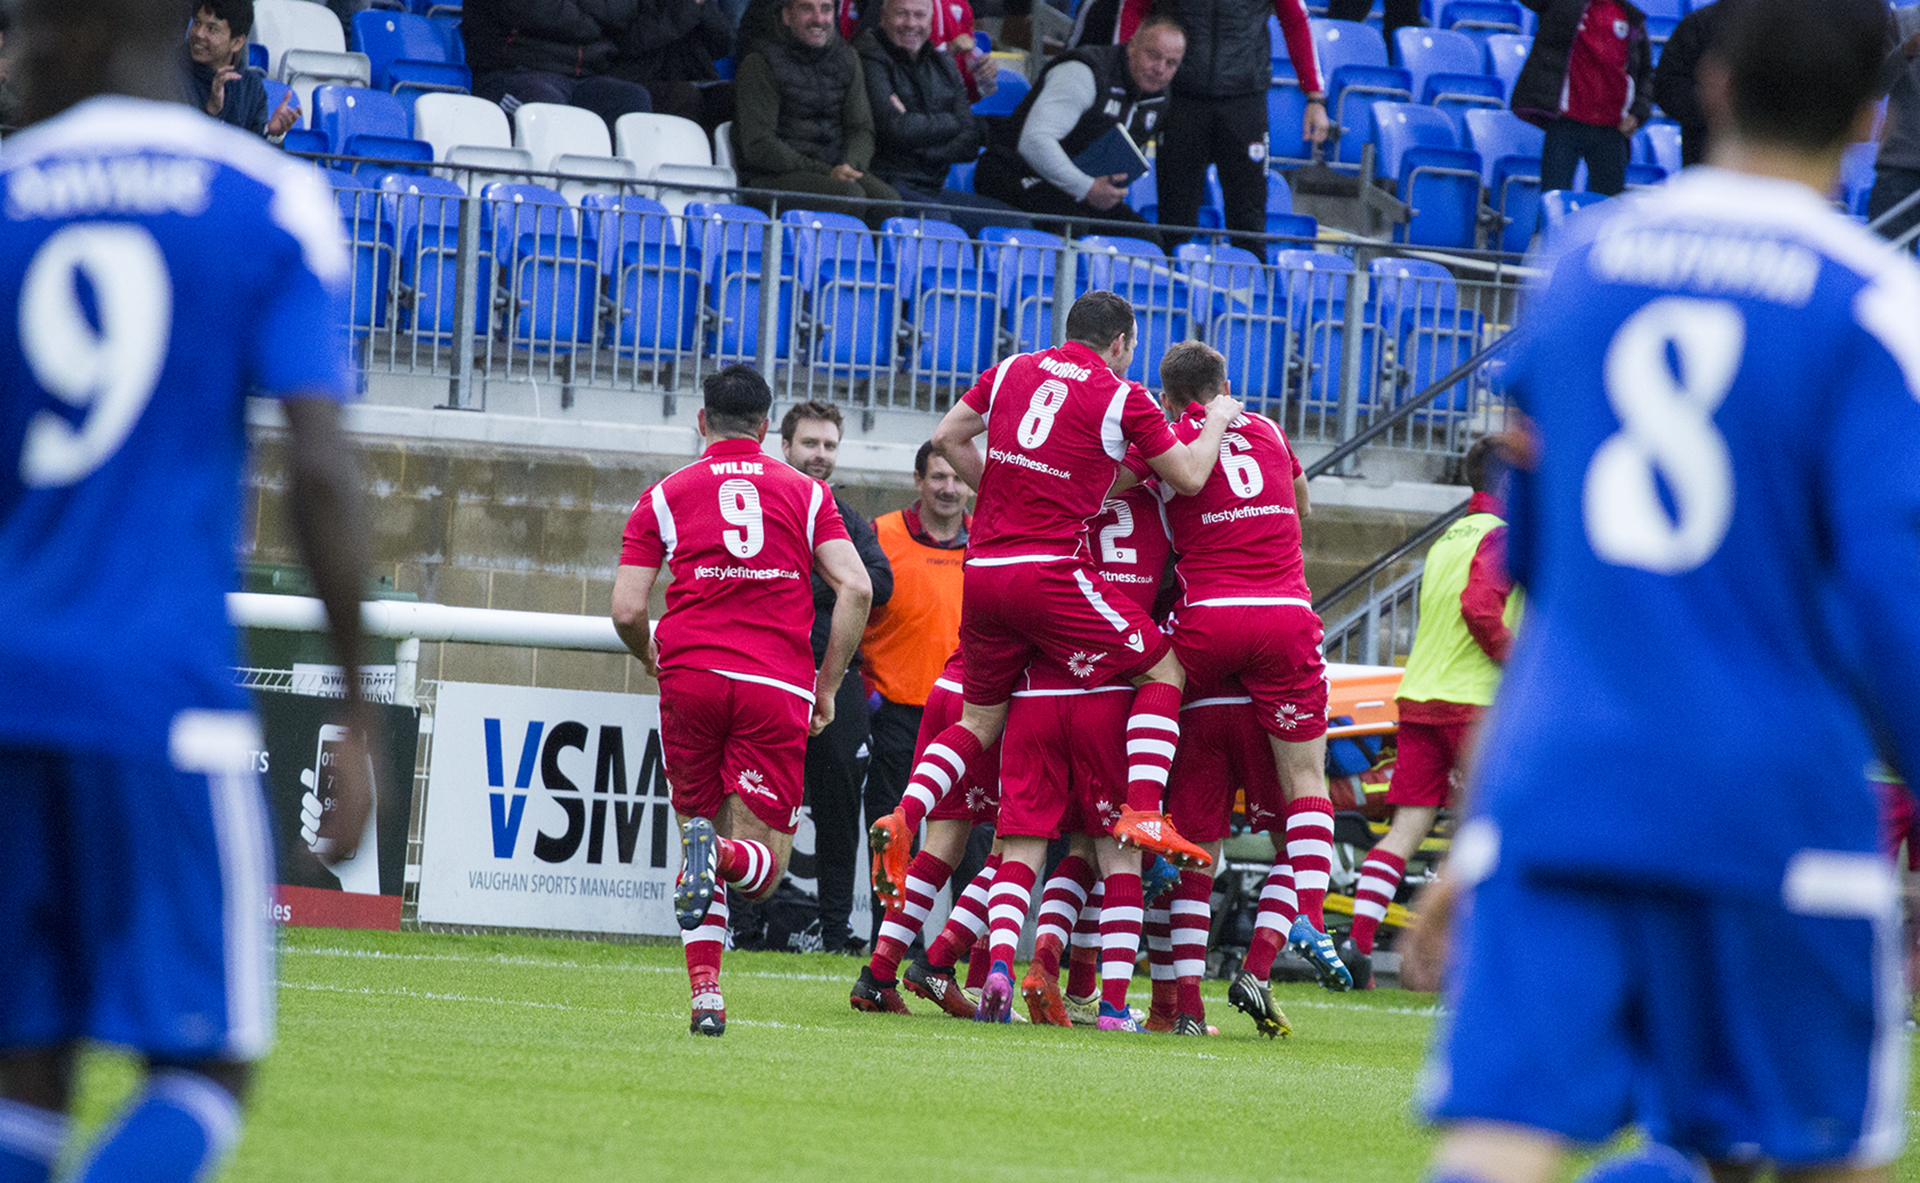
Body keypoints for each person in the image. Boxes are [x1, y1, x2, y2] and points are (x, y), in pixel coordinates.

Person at [1419, 0, 1920, 1179]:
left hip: (1568, 781)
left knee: (1499, 1138)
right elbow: (1894, 599)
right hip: (1773, 794)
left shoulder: (1585, 263)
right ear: (1870, 116)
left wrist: (1478, 834)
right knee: (1815, 1148)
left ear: (1715, 83)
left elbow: (1535, 566)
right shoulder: (1872, 301)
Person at [0, 0, 379, 1176]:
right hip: (159, 698)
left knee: (24, 1065)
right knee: (207, 1066)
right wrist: (357, 707)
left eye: (20, 28)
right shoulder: (265, 198)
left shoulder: (8, 189)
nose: (10, 59)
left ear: (95, 22)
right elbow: (319, 462)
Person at [868, 290, 1244, 1023]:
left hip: (984, 571)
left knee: (982, 726)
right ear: (1123, 342)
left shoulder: (1011, 368)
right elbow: (1190, 476)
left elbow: (947, 435)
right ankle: (1141, 818)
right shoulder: (1121, 395)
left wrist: (1001, 487)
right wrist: (1221, 418)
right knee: (1162, 668)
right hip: (1052, 579)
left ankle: (904, 814)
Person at [611, 365, 873, 1036]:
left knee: (696, 830)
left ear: (701, 421)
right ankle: (720, 856)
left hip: (691, 673)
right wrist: (830, 682)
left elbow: (627, 606)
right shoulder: (806, 493)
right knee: (762, 866)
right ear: (766, 428)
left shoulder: (664, 495)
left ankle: (706, 995)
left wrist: (648, 651)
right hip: (772, 682)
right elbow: (858, 589)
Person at [1141, 341, 1351, 1003]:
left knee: (1156, 675)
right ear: (1227, 384)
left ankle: (1143, 819)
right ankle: (1308, 915)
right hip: (1287, 614)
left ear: (1169, 395)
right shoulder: (1264, 427)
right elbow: (1304, 503)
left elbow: (1130, 489)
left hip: (1211, 615)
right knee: (1305, 778)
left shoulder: (1171, 435)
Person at [1340, 437, 1518, 991]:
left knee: (1402, 833)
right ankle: (1465, 965)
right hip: (1474, 704)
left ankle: (1358, 946)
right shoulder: (1501, 537)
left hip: (1420, 698)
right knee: (1480, 836)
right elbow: (1479, 606)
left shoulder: (1449, 538)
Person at [780, 400, 893, 955]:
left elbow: (879, 582)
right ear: (784, 447)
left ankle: (833, 930)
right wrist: (837, 585)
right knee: (756, 804)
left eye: (829, 445)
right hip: (771, 672)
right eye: (809, 444)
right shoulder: (767, 505)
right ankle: (746, 928)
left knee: (839, 806)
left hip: (837, 676)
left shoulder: (845, 517)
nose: (820, 455)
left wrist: (813, 585)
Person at [858, 441, 971, 884]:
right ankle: (885, 940)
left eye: (959, 478)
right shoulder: (879, 534)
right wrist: (868, 697)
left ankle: (962, 948)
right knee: (892, 834)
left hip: (967, 716)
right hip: (895, 715)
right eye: (939, 477)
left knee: (971, 839)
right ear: (918, 481)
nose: (949, 488)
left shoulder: (988, 540)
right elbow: (849, 610)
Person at [972, 17, 1185, 232]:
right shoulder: (1083, 72)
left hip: (1074, 189)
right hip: (1013, 172)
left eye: (1171, 63)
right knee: (1072, 227)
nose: (1160, 68)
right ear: (1131, 47)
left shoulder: (1159, 98)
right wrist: (1088, 188)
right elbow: (1034, 142)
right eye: (1153, 55)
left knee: (1146, 240)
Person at [1151, 0, 1325, 253]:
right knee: (1174, 219)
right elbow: (1135, 8)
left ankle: (1250, 289)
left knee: (1249, 222)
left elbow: (1295, 20)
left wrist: (1314, 96)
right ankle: (1172, 289)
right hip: (1182, 98)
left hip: (1245, 101)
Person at [855, 0, 1025, 235]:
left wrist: (914, 141)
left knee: (1015, 224)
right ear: (883, 18)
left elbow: (968, 142)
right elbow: (893, 129)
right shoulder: (869, 56)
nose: (911, 23)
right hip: (886, 182)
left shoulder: (943, 63)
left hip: (931, 187)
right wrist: (950, 122)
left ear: (931, 21)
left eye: (919, 15)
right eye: (901, 14)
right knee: (936, 221)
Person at [733, 0, 902, 227]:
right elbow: (760, 146)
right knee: (850, 196)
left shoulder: (848, 57)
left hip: (834, 170)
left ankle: (863, 263)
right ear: (786, 16)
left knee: (889, 202)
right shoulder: (760, 62)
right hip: (770, 177)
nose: (818, 19)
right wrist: (827, 172)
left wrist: (850, 166)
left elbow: (861, 127)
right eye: (806, 8)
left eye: (826, 9)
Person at [1510, 0, 1653, 197]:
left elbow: (1645, 73)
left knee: (1609, 211)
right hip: (1566, 124)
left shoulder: (1632, 17)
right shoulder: (1561, 4)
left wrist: (1638, 113)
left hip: (1612, 130)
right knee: (1552, 203)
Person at [462, 0, 655, 132]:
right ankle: (541, 189)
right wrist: (594, 22)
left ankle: (611, 190)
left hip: (583, 74)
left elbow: (622, 11)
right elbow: (537, 11)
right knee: (543, 101)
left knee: (632, 99)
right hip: (514, 71)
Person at [611, 0, 734, 132]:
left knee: (730, 96)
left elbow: (722, 46)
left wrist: (704, 7)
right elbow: (631, 42)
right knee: (684, 96)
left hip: (694, 76)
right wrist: (689, 7)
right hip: (642, 77)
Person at [185, 0, 298, 140]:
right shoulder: (170, 72)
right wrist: (212, 110)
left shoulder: (251, 86)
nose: (199, 34)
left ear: (237, 43)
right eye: (197, 23)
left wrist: (270, 132)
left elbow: (255, 150)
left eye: (211, 29)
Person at [1649, 0, 1726, 168]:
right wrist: (1712, 112)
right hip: (1703, 154)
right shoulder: (1698, 23)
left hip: (1771, 158)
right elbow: (1667, 86)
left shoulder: (1781, 31)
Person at [1870, 6, 1920, 248]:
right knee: (1885, 264)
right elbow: (1874, 88)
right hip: (1900, 168)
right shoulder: (1899, 20)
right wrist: (1906, 51)